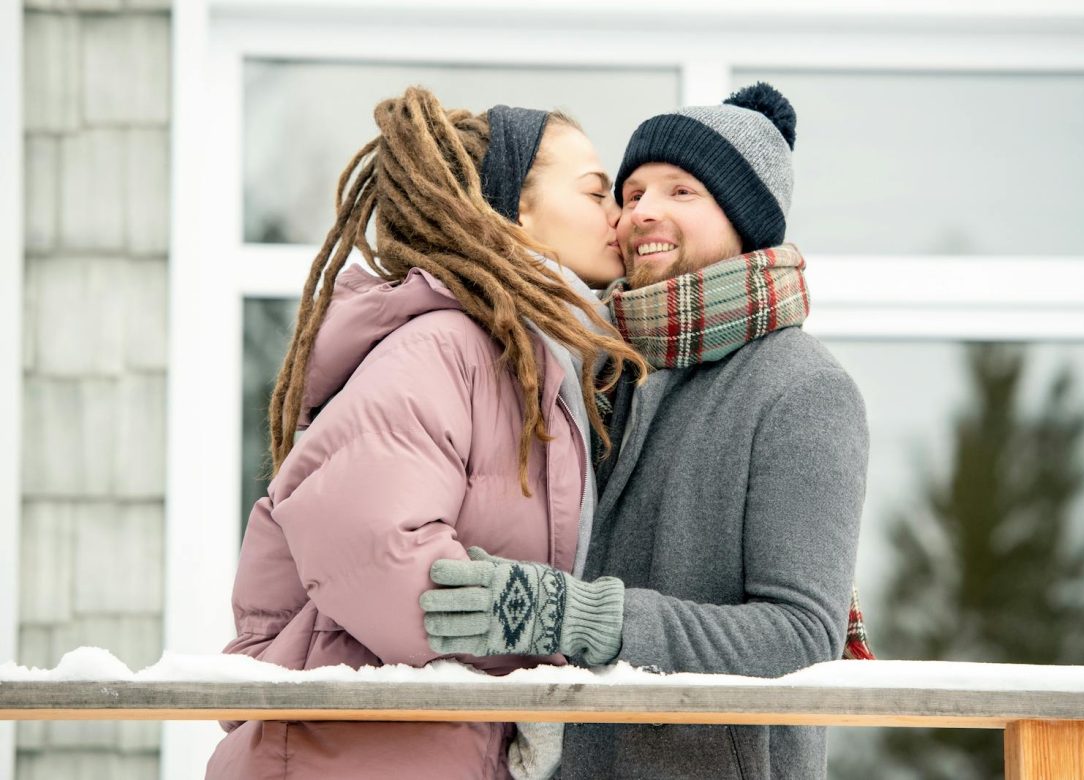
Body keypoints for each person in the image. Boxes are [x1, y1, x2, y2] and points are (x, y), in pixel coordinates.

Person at [421, 83, 869, 779]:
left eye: (680, 192)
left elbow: (801, 636)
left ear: (745, 217)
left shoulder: (802, 388)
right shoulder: (594, 370)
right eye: (629, 195)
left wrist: (583, 618)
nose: (642, 213)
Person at [205, 86, 646, 779]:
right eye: (596, 193)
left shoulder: (538, 367)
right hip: (349, 757)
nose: (620, 217)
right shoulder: (446, 346)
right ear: (520, 210)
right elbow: (379, 548)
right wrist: (549, 642)